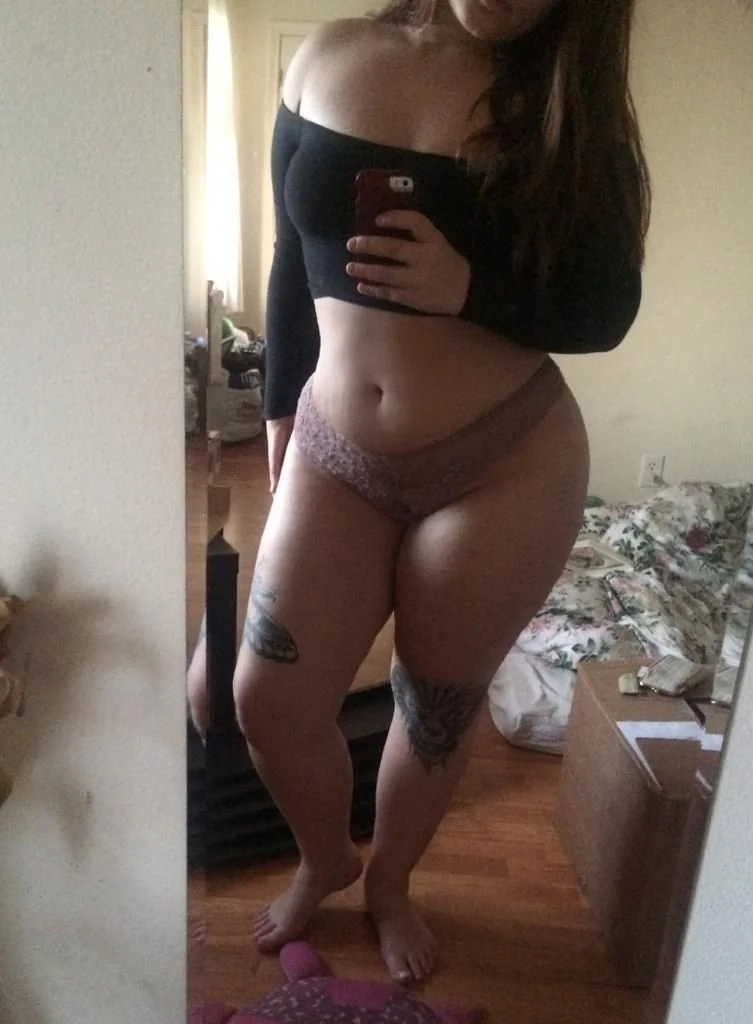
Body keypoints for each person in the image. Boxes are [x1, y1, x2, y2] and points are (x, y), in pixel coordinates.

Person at [231, 0, 650, 987]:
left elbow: (608, 306)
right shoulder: (331, 56)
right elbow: (291, 253)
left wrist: (471, 288)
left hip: (504, 462)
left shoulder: (567, 108)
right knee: (267, 699)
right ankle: (325, 858)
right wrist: (280, 407)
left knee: (434, 710)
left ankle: (390, 884)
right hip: (336, 446)